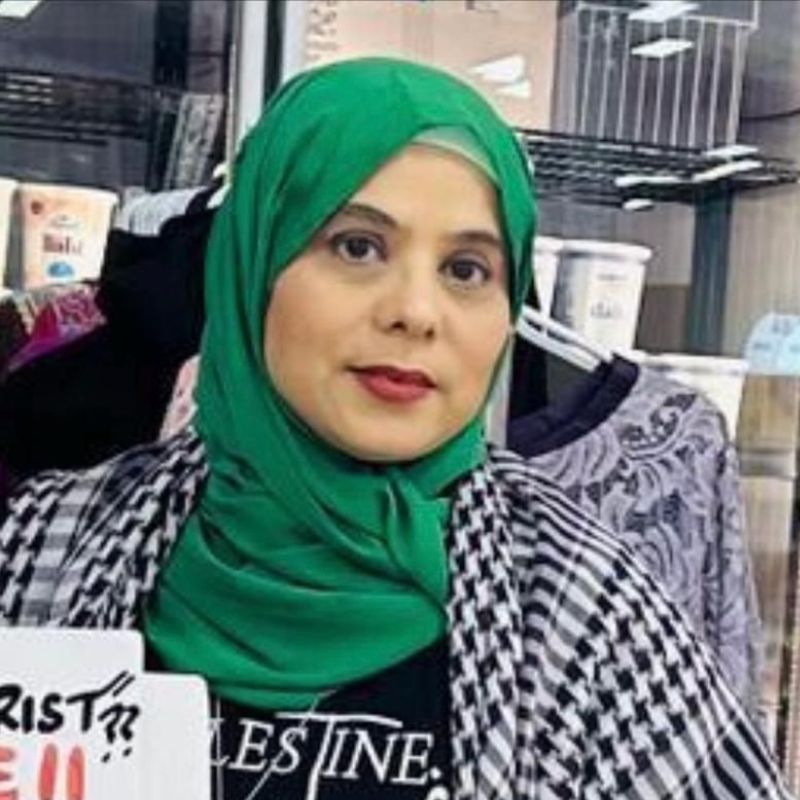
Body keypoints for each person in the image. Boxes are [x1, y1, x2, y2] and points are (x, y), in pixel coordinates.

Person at [0, 58, 790, 800]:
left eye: (466, 270)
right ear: (252, 268)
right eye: (358, 246)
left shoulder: (586, 615)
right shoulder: (47, 547)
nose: (415, 311)